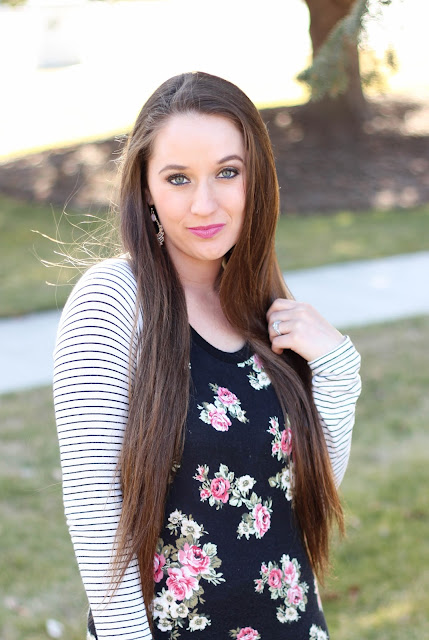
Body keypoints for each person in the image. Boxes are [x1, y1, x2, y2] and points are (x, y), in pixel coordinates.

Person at [53, 71, 361, 640]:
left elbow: (303, 495)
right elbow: (95, 509)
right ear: (146, 188)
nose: (205, 203)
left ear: (256, 178)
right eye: (178, 178)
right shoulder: (113, 301)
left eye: (227, 172)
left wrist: (336, 368)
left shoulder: (262, 307)